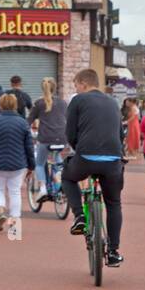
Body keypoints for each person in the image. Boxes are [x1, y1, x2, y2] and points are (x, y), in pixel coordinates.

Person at [61, 69, 125, 267]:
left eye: (76, 85)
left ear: (83, 83)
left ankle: (79, 216)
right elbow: (120, 133)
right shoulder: (113, 103)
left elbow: (70, 132)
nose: (76, 89)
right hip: (113, 159)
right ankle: (113, 251)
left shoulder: (78, 101)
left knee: (68, 177)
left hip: (86, 156)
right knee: (113, 203)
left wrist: (76, 147)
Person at [0, 94, 34, 232]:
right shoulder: (23, 122)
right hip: (18, 163)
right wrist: (31, 166)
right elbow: (29, 146)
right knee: (15, 192)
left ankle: (0, 212)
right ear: (15, 105)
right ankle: (14, 226)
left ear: (0, 105)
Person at [28, 77, 68, 201]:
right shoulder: (62, 103)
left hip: (45, 138)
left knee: (39, 163)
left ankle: (43, 188)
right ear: (55, 88)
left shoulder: (38, 103)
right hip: (62, 138)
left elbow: (28, 121)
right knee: (57, 160)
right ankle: (61, 182)